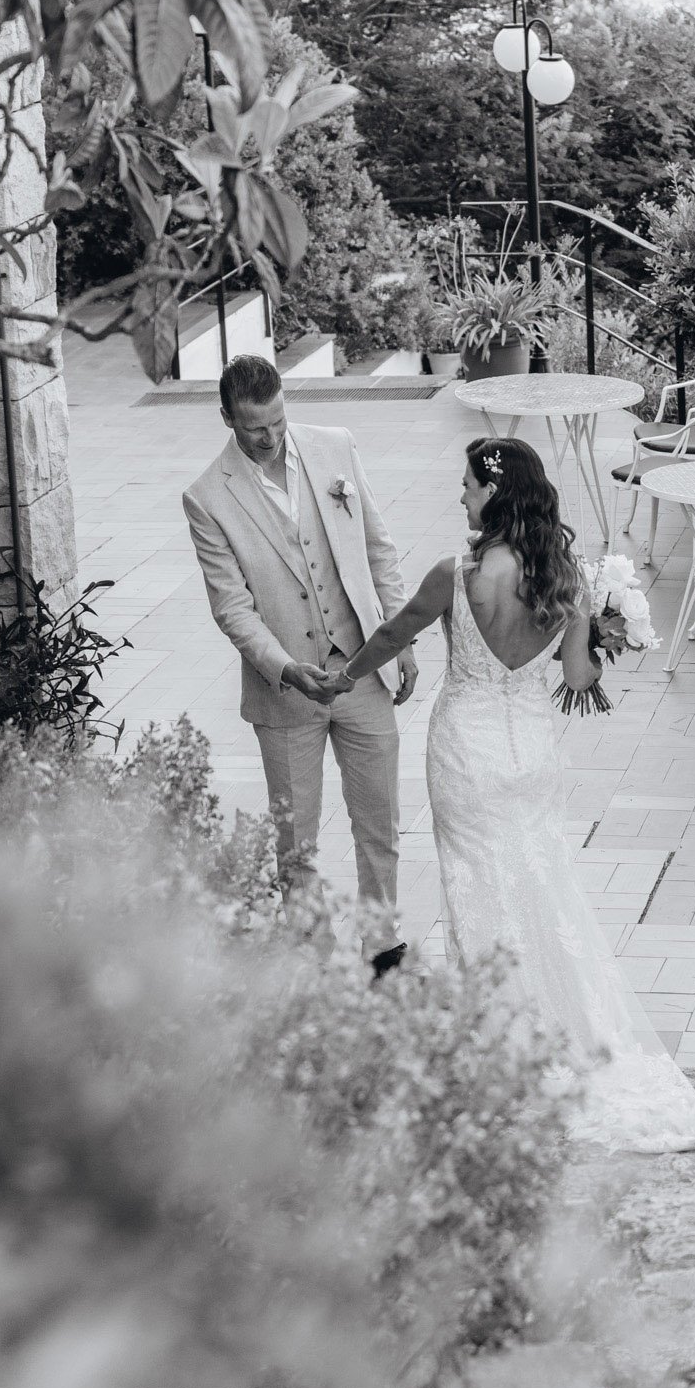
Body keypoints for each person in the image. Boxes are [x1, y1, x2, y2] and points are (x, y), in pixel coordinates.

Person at [332, 436, 695, 1152]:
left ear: (493, 492)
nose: (459, 495)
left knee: (480, 895)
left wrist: (340, 678)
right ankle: (566, 1035)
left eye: (466, 484)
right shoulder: (565, 578)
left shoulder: (451, 572)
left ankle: (500, 1052)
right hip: (530, 756)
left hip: (464, 753)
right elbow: (580, 679)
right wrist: (599, 630)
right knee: (544, 890)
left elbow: (391, 633)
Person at [183, 354, 416, 973]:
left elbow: (378, 547)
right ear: (228, 417)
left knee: (379, 821)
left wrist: (401, 639)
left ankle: (383, 949)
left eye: (279, 419)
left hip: (363, 667)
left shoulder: (335, 447)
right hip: (285, 694)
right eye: (256, 427)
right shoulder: (207, 497)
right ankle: (312, 962)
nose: (271, 436)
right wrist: (287, 669)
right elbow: (232, 609)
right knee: (297, 841)